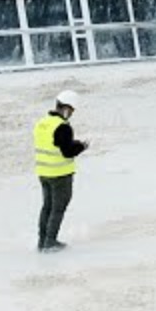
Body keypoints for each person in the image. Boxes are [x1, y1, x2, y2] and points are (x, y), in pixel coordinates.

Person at [34, 91, 90, 252]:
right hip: (59, 174)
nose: (71, 114)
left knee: (47, 207)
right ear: (66, 108)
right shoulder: (62, 127)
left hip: (43, 172)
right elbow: (67, 151)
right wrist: (80, 146)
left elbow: (52, 144)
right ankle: (50, 243)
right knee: (57, 209)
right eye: (72, 110)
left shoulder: (42, 123)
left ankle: (42, 241)